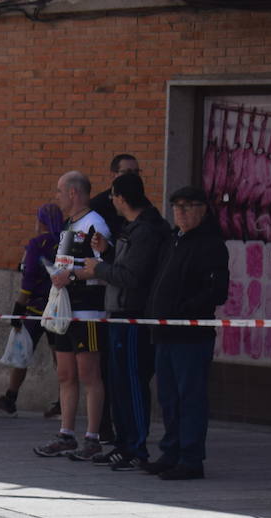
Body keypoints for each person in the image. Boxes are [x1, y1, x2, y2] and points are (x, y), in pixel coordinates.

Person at [76, 171, 167, 470]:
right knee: (118, 384)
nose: (112, 201)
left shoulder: (147, 230)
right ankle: (123, 443)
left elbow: (132, 276)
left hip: (133, 317)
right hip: (118, 314)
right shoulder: (132, 228)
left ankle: (136, 447)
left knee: (132, 381)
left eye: (114, 195)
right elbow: (126, 265)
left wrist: (98, 269)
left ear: (123, 198)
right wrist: (109, 252)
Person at [143, 186, 228, 480]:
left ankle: (191, 458)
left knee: (190, 396)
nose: (180, 211)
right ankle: (171, 451)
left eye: (188, 205)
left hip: (191, 335)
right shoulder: (172, 240)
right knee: (168, 397)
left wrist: (183, 310)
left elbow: (217, 292)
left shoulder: (212, 245)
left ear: (203, 209)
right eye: (176, 206)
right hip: (164, 332)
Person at [34, 171, 111, 460]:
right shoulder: (68, 225)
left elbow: (100, 268)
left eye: (59, 191)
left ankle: (92, 437)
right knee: (65, 374)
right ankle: (66, 434)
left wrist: (72, 277)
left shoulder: (95, 224)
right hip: (63, 309)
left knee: (89, 374)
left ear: (74, 193)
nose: (57, 196)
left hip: (87, 309)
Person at [0, 203, 65, 417]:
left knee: (22, 352)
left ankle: (11, 398)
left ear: (40, 222)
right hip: (59, 307)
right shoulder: (66, 242)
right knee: (60, 357)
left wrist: (18, 308)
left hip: (35, 307)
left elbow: (29, 277)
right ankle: (62, 402)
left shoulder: (37, 243)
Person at [91, 154, 141, 238]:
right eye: (127, 172)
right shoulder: (98, 205)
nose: (132, 176)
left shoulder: (142, 202)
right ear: (113, 175)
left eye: (136, 172)